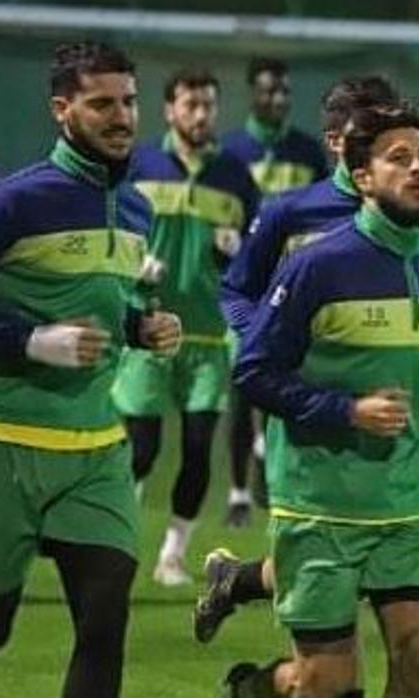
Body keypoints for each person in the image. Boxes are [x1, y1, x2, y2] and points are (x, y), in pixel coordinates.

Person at [224, 101, 419, 698]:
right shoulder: (317, 266)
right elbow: (255, 371)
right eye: (399, 159)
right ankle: (256, 688)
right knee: (325, 683)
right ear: (362, 177)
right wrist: (347, 411)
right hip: (322, 507)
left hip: (415, 505)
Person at [0, 40, 182, 698]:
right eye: (101, 103)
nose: (121, 115)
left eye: (128, 101)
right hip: (5, 447)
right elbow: (44, 329)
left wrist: (140, 328)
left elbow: (103, 307)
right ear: (61, 109)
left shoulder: (137, 209)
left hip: (96, 451)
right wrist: (30, 342)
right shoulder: (15, 202)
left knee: (104, 623)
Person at [217, 75, 401, 529]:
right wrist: (263, 342)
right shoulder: (289, 211)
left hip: (394, 402)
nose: (385, 147)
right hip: (310, 404)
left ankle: (242, 580)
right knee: (314, 553)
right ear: (335, 142)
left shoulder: (417, 213)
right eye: (369, 135)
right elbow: (237, 290)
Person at [112, 68, 260, 586]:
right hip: (146, 330)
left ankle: (173, 553)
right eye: (190, 105)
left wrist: (238, 254)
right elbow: (110, 232)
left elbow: (254, 258)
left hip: (206, 337)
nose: (201, 115)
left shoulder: (236, 176)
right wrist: (134, 266)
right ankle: (112, 536)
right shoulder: (138, 165)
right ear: (169, 110)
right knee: (143, 449)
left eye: (209, 106)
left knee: (198, 449)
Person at [222, 57, 329, 196]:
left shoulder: (310, 151)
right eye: (271, 92)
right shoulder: (227, 150)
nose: (280, 100)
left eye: (285, 92)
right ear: (252, 94)